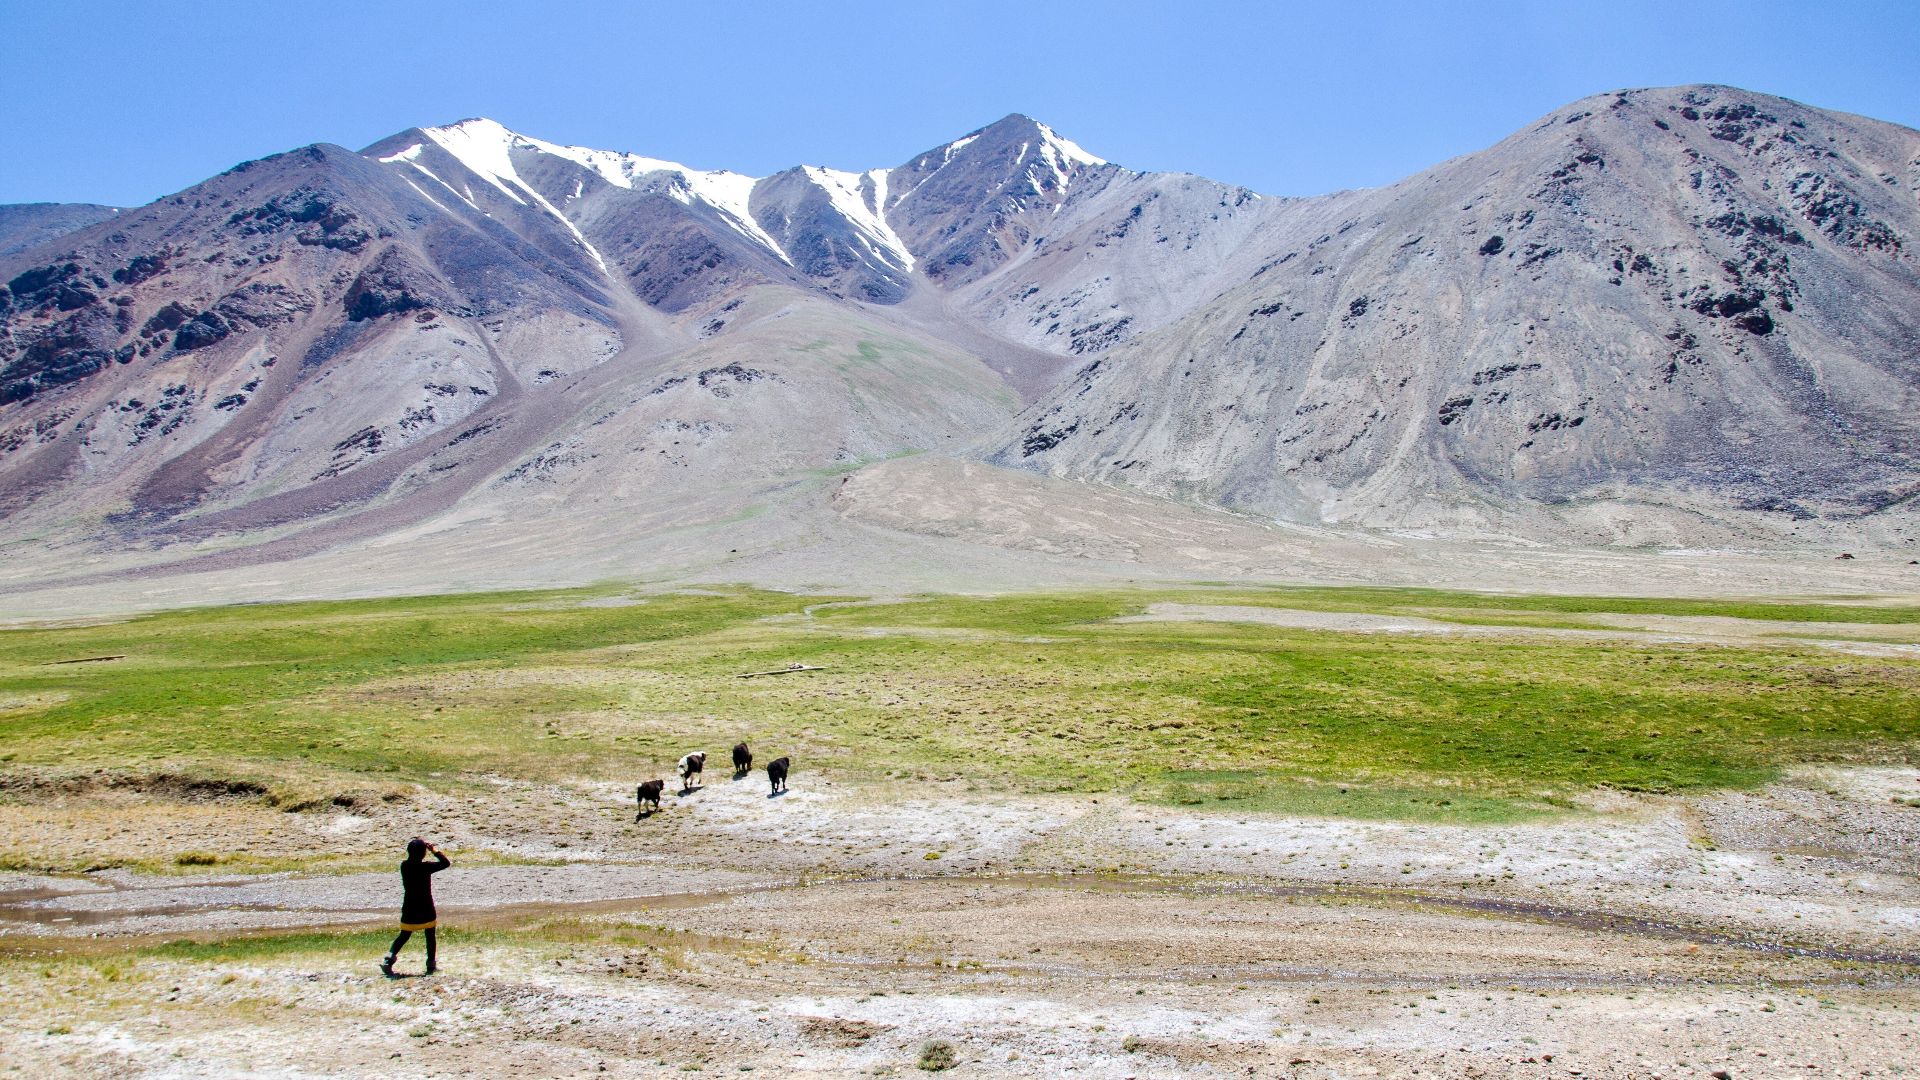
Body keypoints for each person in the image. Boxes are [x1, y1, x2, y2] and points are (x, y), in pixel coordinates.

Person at [382, 837, 450, 976]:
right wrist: (434, 850)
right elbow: (445, 863)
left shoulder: (404, 866)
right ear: (423, 853)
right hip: (426, 906)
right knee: (430, 935)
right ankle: (431, 965)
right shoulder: (426, 867)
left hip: (410, 906)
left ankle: (388, 960)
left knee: (404, 935)